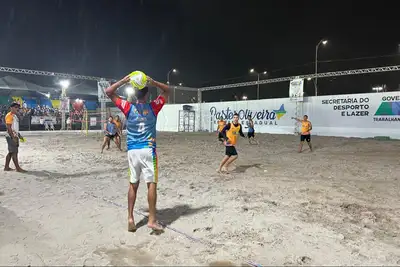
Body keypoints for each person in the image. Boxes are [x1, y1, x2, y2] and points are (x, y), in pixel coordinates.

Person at [105, 74, 169, 233]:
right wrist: (153, 82)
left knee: (133, 185)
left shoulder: (127, 107)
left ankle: (130, 218)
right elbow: (167, 91)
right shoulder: (154, 107)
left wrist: (124, 80)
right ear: (147, 94)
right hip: (148, 150)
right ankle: (152, 220)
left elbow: (109, 92)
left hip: (132, 151)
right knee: (151, 184)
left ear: (134, 94)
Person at [4, 102, 26, 172]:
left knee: (11, 152)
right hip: (11, 136)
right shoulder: (9, 115)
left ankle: (6, 167)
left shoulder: (14, 116)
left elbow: (15, 128)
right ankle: (18, 168)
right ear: (11, 108)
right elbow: (9, 127)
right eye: (15, 107)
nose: (17, 108)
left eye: (18, 107)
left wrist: (19, 136)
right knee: (14, 152)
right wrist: (13, 137)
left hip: (14, 135)